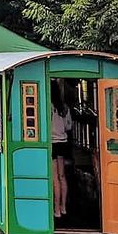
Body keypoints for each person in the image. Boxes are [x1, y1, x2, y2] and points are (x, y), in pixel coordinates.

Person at [51, 86, 72, 218]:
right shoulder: (64, 108)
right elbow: (69, 126)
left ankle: (56, 209)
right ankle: (64, 207)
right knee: (62, 176)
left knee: (54, 178)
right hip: (63, 142)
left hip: (52, 143)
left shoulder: (47, 105)